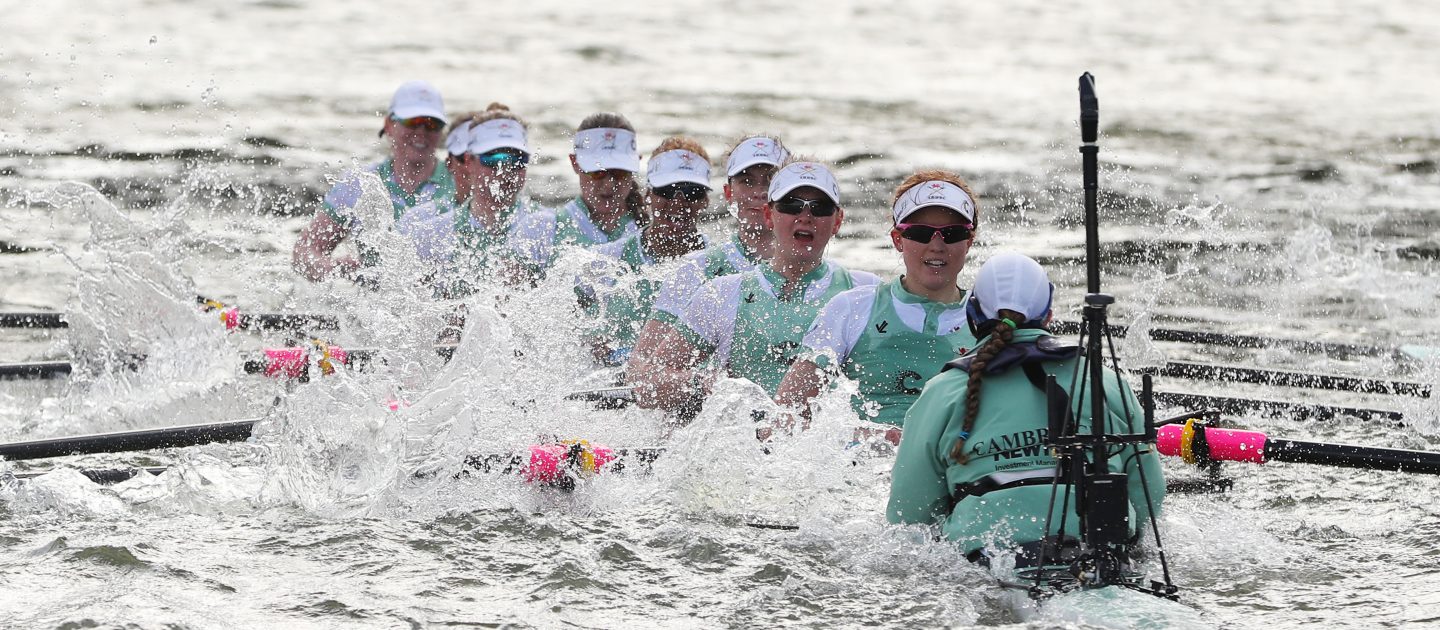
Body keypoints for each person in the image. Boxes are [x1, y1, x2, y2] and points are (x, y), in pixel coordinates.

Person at [886, 253, 1165, 565]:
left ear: (973, 314)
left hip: (986, 560)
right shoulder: (1106, 381)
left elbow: (909, 515)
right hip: (1099, 553)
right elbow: (1149, 499)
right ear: (1048, 316)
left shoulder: (943, 391)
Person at [628, 159, 880, 415]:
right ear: (769, 215)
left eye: (820, 208)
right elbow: (647, 383)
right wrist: (701, 384)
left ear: (837, 221)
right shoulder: (722, 293)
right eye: (791, 205)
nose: (805, 217)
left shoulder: (866, 292)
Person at [774, 171, 982, 429]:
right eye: (920, 233)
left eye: (951, 233)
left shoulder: (989, 320)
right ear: (898, 240)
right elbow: (787, 412)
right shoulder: (852, 308)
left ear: (969, 241)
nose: (937, 245)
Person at [629, 134, 785, 361]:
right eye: (748, 181)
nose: (760, 192)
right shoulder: (696, 269)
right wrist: (705, 384)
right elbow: (641, 367)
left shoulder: (836, 282)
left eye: (770, 181)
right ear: (729, 193)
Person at [292, 80, 458, 283]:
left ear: (441, 132)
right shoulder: (359, 184)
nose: (422, 131)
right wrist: (331, 268)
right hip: (374, 305)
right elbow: (305, 251)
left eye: (432, 124)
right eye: (412, 122)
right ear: (389, 125)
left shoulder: (459, 184)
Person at [580, 137, 712, 364]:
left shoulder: (722, 265)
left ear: (705, 201)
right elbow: (572, 327)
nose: (679, 202)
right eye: (668, 191)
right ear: (647, 196)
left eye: (692, 192)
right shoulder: (605, 261)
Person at [510, 113, 644, 278]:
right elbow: (503, 299)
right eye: (597, 172)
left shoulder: (652, 231)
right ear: (575, 163)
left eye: (619, 172)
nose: (609, 184)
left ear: (637, 163)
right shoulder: (539, 230)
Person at [446, 103, 539, 292]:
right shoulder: (432, 233)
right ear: (468, 161)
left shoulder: (547, 231)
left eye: (517, 159)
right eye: (493, 159)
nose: (506, 170)